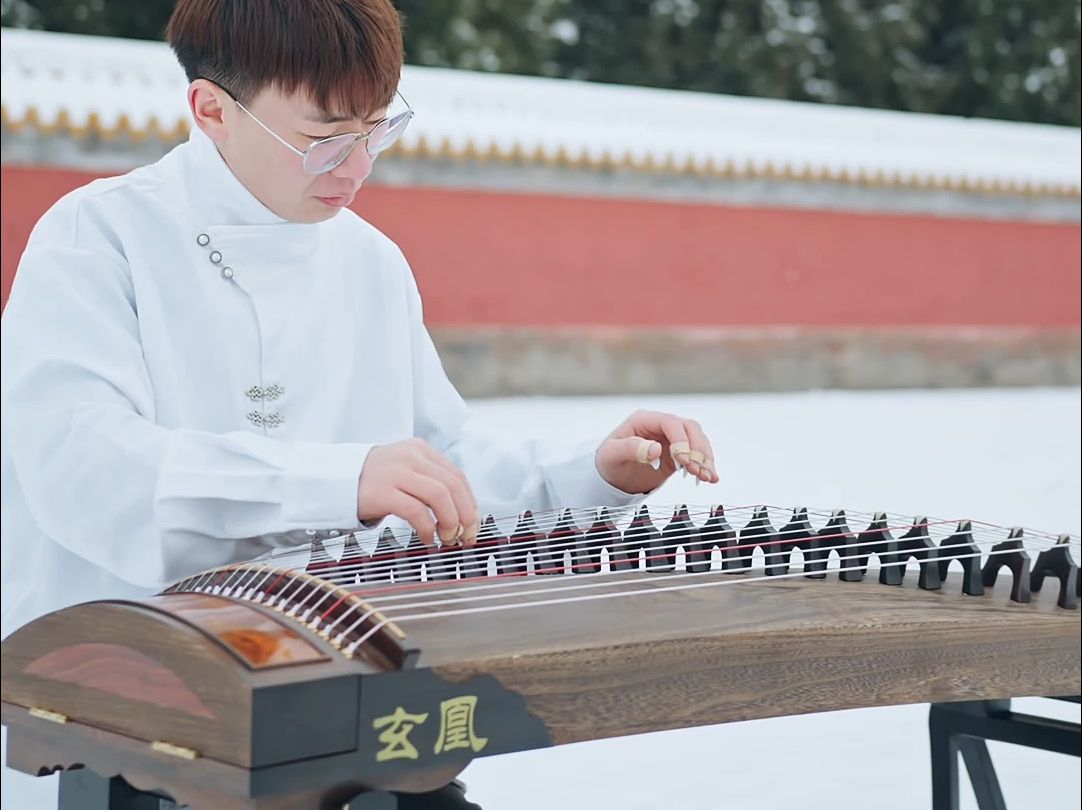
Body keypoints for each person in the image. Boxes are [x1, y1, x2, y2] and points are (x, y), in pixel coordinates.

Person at [0, 0, 718, 806]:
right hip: (140, 696)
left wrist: (593, 472)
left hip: (339, 669)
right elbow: (85, 467)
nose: (358, 165)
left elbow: (434, 462)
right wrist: (337, 480)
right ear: (212, 109)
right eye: (326, 136)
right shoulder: (99, 237)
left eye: (378, 128)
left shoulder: (370, 261)